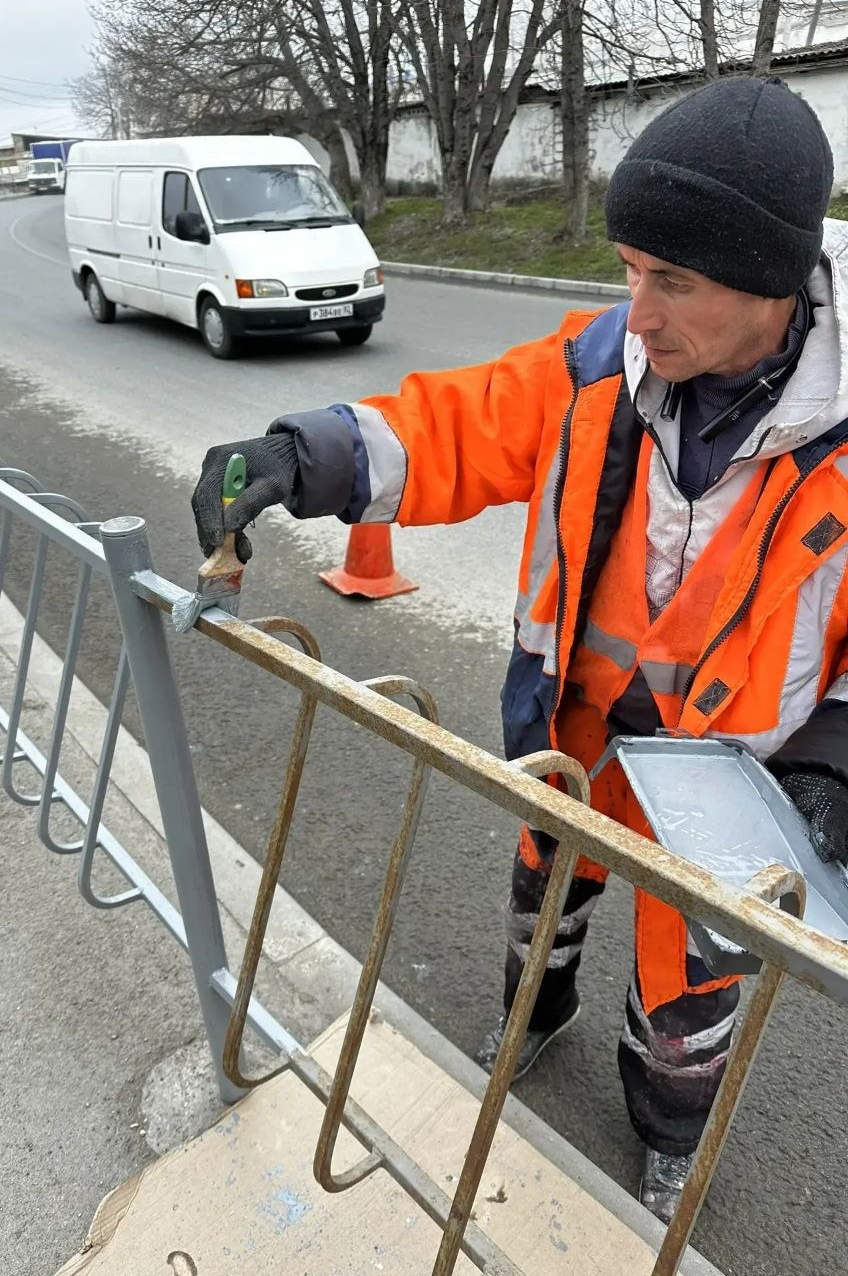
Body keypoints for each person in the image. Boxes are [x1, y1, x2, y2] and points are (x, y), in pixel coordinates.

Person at [190, 76, 848, 1223]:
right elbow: (459, 421)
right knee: (542, 896)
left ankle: (668, 1134)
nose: (635, 312)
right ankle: (535, 1014)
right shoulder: (606, 363)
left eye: (672, 283)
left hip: (735, 791)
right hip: (574, 739)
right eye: (631, 269)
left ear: (775, 287)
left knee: (690, 993)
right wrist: (310, 455)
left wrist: (834, 769)